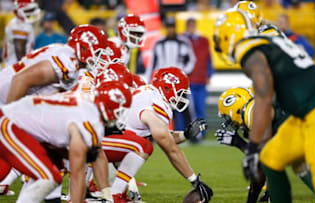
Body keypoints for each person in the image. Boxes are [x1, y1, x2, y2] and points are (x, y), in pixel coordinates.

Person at [213, 8, 315, 203]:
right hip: (309, 112)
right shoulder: (270, 40)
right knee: (271, 159)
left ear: (227, 36)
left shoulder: (249, 50)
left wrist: (251, 148)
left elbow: (265, 102)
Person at [0, 24, 109, 196]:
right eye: (98, 52)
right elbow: (20, 80)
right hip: (5, 103)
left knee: (50, 162)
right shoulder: (68, 62)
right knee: (8, 162)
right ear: (83, 47)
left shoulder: (68, 61)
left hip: (11, 104)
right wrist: (9, 119)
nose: (100, 58)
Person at [0, 80, 132, 202]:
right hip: (10, 125)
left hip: (21, 124)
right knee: (50, 177)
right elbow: (77, 174)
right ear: (108, 106)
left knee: (55, 167)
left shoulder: (87, 104)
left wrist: (106, 192)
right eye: (120, 109)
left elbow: (94, 155)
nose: (120, 114)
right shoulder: (88, 122)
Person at [103, 67, 212, 203]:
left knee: (138, 143)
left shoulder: (148, 94)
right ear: (167, 88)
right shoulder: (154, 103)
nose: (180, 98)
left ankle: (117, 194)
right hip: (96, 143)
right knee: (143, 146)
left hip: (104, 140)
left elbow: (163, 137)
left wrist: (185, 135)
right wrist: (194, 181)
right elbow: (170, 148)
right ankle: (115, 195)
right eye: (179, 93)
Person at [146, 17, 196, 131]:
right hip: (163, 83)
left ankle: (191, 133)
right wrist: (148, 81)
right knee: (161, 109)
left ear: (175, 28)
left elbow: (192, 60)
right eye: (168, 28)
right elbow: (152, 64)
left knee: (185, 108)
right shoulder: (158, 43)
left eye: (172, 27)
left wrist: (184, 73)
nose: (170, 30)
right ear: (165, 28)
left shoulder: (184, 42)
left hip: (178, 83)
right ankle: (158, 133)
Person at [182, 18, 213, 141]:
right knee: (188, 110)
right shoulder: (183, 41)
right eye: (189, 26)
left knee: (200, 108)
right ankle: (187, 133)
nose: (191, 28)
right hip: (188, 81)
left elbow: (208, 59)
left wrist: (209, 75)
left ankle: (201, 134)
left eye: (192, 26)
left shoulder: (204, 41)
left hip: (200, 80)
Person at [2, 0, 40, 68]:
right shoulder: (20, 25)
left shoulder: (18, 22)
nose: (32, 12)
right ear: (20, 10)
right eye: (29, 10)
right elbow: (19, 51)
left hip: (12, 65)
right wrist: (25, 68)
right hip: (14, 67)